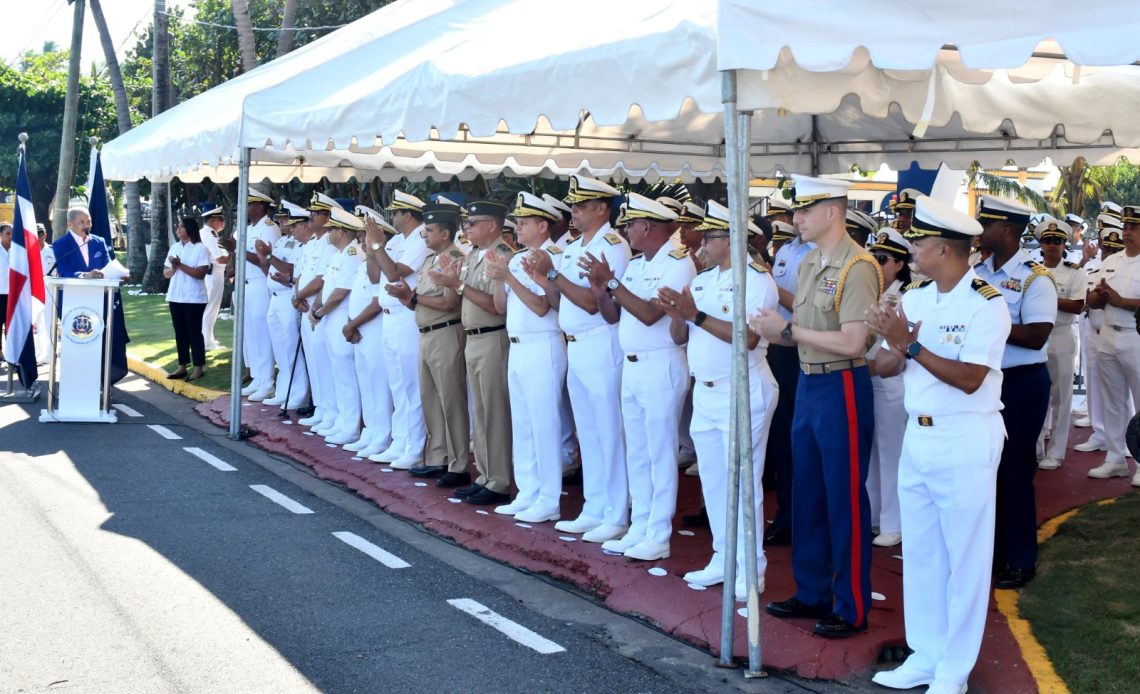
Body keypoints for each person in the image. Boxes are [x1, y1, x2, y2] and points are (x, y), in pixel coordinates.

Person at [866, 194, 1011, 694]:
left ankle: (955, 669)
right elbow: (886, 364)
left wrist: (912, 345)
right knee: (924, 553)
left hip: (965, 435)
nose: (912, 247)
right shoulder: (917, 298)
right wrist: (882, 338)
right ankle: (925, 655)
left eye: (920, 241)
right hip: (918, 436)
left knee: (965, 557)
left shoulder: (987, 305)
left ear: (945, 250)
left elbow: (971, 378)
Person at [751, 175, 881, 638]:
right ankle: (811, 592)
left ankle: (850, 606)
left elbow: (852, 341)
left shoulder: (858, 266)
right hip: (809, 383)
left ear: (833, 212)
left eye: (805, 210)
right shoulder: (809, 264)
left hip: (841, 385)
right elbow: (806, 319)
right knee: (804, 491)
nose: (795, 218)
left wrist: (785, 333)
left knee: (843, 497)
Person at [661, 199, 779, 599]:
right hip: (707, 391)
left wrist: (694, 315)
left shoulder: (756, 279)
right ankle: (722, 558)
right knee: (713, 482)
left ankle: (752, 568)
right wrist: (678, 312)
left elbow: (748, 339)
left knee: (744, 483)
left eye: (708, 237)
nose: (700, 243)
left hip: (741, 388)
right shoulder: (702, 280)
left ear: (729, 239)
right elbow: (679, 337)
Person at [584, 193, 696, 561]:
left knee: (660, 450)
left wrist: (612, 285)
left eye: (630, 224)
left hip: (661, 362)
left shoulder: (677, 264)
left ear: (647, 226)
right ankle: (641, 524)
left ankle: (658, 533)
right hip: (633, 365)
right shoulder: (636, 264)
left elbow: (651, 314)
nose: (627, 230)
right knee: (638, 451)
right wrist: (603, 289)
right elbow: (613, 315)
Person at [525, 175, 633, 543]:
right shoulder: (573, 246)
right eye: (572, 206)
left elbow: (592, 302)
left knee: (609, 431)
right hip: (576, 343)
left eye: (581, 206)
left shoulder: (611, 245)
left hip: (602, 341)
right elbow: (560, 302)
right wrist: (544, 280)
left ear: (602, 209)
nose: (574, 212)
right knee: (589, 432)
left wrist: (552, 274)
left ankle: (616, 513)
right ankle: (595, 506)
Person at [973, 194, 1057, 589]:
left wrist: (989, 325)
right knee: (986, 469)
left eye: (986, 224)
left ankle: (1021, 560)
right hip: (985, 381)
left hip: (1022, 384)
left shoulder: (1034, 277)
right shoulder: (978, 271)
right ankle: (995, 552)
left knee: (1015, 471)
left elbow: (1038, 334)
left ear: (1006, 230)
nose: (980, 231)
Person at [426, 200, 515, 505]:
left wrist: (458, 285)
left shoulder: (502, 256)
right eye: (466, 224)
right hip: (474, 340)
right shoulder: (475, 254)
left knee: (495, 414)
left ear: (493, 225)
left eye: (473, 223)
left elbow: (495, 306)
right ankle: (485, 476)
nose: (466, 228)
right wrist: (456, 283)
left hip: (492, 338)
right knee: (481, 414)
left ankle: (500, 481)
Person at [486, 193, 566, 522]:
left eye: (523, 223)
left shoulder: (551, 257)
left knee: (544, 424)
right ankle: (528, 491)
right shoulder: (517, 259)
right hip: (518, 344)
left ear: (542, 226)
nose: (517, 228)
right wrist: (497, 276)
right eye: (517, 223)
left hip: (543, 343)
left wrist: (507, 277)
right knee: (523, 423)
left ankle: (549, 498)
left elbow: (542, 305)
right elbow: (501, 307)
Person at [387, 204, 470, 480]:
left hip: (446, 333)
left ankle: (457, 464)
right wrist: (409, 298)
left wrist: (412, 299)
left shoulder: (455, 258)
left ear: (445, 233)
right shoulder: (430, 260)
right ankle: (438, 456)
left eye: (430, 231)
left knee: (451, 400)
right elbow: (420, 300)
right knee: (431, 399)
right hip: (426, 333)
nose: (425, 235)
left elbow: (449, 304)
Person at [762, 194, 815, 547]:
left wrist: (772, 287)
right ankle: (784, 513)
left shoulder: (821, 255)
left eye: (805, 211)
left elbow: (808, 308)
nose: (798, 218)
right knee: (781, 437)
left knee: (800, 440)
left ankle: (797, 517)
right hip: (780, 348)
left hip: (805, 349)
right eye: (797, 210)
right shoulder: (785, 251)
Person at [365, 190, 430, 468]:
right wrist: (372, 248)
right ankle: (400, 441)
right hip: (390, 318)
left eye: (396, 212)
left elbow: (394, 273)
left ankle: (414, 447)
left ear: (408, 214)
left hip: (407, 316)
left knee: (411, 386)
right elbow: (375, 274)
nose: (392, 216)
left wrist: (379, 245)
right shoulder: (399, 239)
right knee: (397, 386)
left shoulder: (421, 238)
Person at [865, 228, 913, 547]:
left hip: (891, 381)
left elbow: (897, 345)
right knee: (871, 453)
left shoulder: (907, 296)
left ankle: (893, 523)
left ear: (899, 264)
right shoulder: (872, 291)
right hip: (868, 378)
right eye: (873, 257)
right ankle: (874, 515)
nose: (876, 264)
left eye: (882, 259)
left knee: (892, 453)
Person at [1085, 203, 1140, 486]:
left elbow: (1127, 300)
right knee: (1113, 401)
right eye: (1126, 227)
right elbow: (1092, 298)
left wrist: (1122, 301)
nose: (1128, 232)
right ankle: (1116, 458)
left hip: (1136, 335)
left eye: (1134, 228)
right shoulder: (1111, 261)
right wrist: (1100, 297)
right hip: (1107, 333)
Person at [341, 206, 395, 458]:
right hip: (361, 331)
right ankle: (371, 432)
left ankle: (382, 435)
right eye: (363, 237)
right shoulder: (365, 263)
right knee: (367, 383)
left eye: (366, 237)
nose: (362, 241)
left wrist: (352, 324)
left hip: (373, 330)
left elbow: (376, 300)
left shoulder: (385, 259)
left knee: (378, 384)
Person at [308, 207, 364, 445]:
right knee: (336, 372)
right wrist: (315, 308)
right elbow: (327, 287)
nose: (328, 232)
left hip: (341, 316)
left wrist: (320, 312)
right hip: (329, 316)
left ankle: (351, 425)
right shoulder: (337, 254)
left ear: (341, 231)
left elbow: (341, 292)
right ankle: (341, 419)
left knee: (346, 374)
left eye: (331, 229)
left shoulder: (352, 253)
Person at [1034, 217, 1086, 470]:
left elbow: (1077, 305)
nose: (1052, 245)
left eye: (1057, 241)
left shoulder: (1074, 272)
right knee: (1036, 394)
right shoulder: (1032, 270)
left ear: (1065, 244)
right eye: (1048, 240)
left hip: (1062, 334)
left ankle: (1055, 451)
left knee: (1062, 397)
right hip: (1036, 337)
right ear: (1040, 244)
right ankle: (1035, 446)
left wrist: (1045, 299)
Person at [1074, 214, 1126, 453]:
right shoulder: (1093, 268)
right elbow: (1082, 294)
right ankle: (1099, 433)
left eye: (1114, 249)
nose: (1108, 253)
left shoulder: (1126, 270)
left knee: (1124, 392)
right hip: (1092, 331)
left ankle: (1127, 438)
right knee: (1094, 384)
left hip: (1119, 332)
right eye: (1106, 248)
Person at [294, 193, 341, 428]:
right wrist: (297, 296)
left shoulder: (330, 245)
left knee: (325, 362)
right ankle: (321, 408)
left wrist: (301, 297)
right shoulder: (312, 242)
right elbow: (301, 274)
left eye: (316, 213)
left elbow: (323, 279)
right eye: (311, 212)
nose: (311, 216)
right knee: (314, 361)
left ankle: (331, 411)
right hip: (305, 306)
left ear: (329, 217)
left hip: (318, 308)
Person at [264, 201, 311, 410]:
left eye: (292, 224)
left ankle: (299, 393)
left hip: (288, 296)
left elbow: (290, 270)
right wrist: (266, 256)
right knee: (280, 349)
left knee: (292, 348)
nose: (288, 227)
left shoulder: (304, 246)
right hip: (274, 297)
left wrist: (268, 256)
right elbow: (271, 263)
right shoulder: (284, 241)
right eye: (286, 222)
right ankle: (284, 390)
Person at [239, 188, 281, 401]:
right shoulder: (250, 228)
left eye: (249, 204)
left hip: (261, 283)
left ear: (260, 206)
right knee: (251, 334)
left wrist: (237, 250)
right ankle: (257, 377)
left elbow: (265, 259)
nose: (245, 207)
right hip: (246, 284)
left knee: (263, 335)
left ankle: (268, 380)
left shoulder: (269, 228)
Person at [162, 217, 211, 381]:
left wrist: (180, 265)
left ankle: (198, 366)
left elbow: (200, 274)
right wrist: (173, 267)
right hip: (175, 296)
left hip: (194, 298)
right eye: (178, 226)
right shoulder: (174, 247)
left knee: (194, 333)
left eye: (182, 226)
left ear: (190, 229)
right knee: (180, 332)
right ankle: (182, 366)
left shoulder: (201, 249)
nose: (178, 229)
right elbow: (166, 273)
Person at [199, 206, 230, 350]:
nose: (223, 223)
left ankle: (208, 338)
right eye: (221, 220)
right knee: (211, 308)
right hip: (213, 274)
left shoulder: (206, 233)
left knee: (209, 308)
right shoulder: (210, 234)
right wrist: (234, 254)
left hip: (210, 274)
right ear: (213, 221)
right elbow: (220, 259)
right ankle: (206, 341)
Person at [0, 223, 10, 353]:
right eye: (8, 233)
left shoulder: (18, 251)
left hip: (14, 295)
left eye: (13, 233)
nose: (11, 236)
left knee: (12, 326)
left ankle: (11, 352)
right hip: (0, 293)